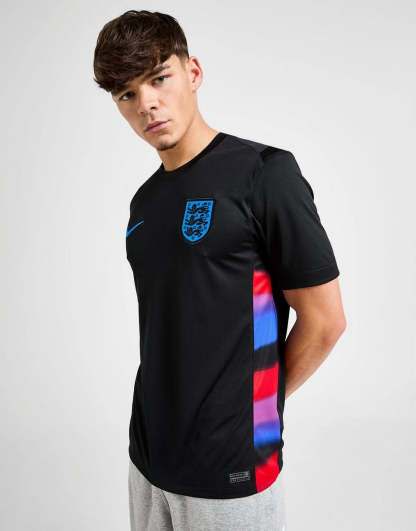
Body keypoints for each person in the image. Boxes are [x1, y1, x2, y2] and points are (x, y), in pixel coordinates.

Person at [93, 10, 346, 531]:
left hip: (230, 464)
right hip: (147, 458)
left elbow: (325, 322)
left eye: (158, 78)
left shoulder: (264, 173)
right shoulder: (144, 203)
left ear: (193, 72)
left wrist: (252, 410)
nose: (147, 104)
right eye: (126, 94)